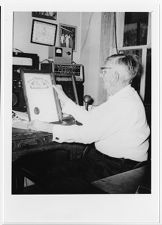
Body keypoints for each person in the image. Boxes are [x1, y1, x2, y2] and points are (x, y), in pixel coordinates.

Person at [29, 54, 150, 187]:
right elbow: (92, 119)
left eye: (104, 71)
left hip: (119, 169)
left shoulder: (124, 103)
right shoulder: (124, 96)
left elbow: (86, 135)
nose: (101, 75)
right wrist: (64, 99)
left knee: (53, 180)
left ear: (115, 76)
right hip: (107, 161)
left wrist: (45, 127)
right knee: (53, 173)